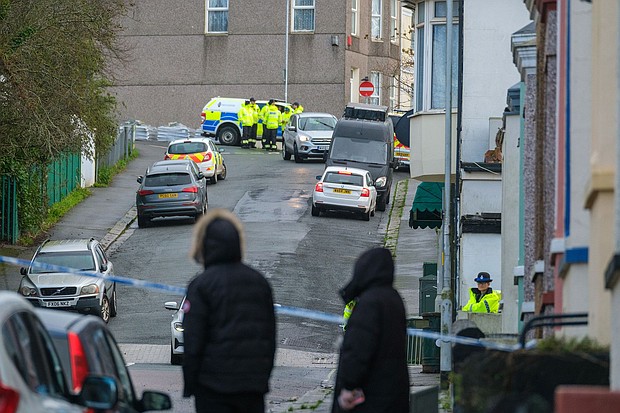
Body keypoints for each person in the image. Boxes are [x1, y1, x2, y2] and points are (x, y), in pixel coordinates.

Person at [182, 209, 276, 413]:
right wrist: (262, 379)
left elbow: (193, 341)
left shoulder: (200, 286)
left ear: (203, 245)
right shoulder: (260, 283)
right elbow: (269, 338)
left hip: (212, 389)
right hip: (251, 389)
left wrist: (190, 384)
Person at [333, 247, 409, 413]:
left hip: (368, 396)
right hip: (392, 392)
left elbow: (358, 349)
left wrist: (348, 385)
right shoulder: (394, 299)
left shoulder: (369, 303)